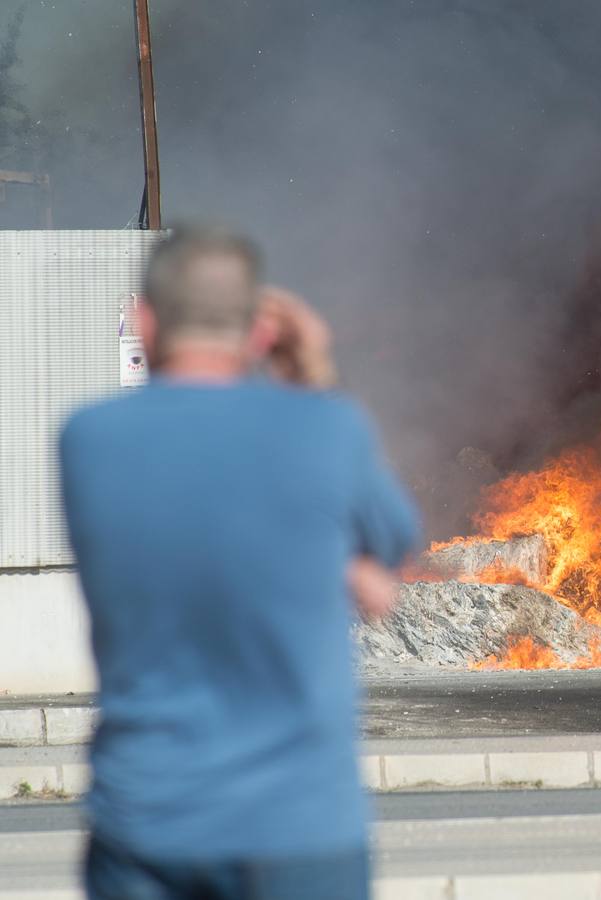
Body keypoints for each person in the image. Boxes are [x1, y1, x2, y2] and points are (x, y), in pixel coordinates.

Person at [59, 225, 420, 900]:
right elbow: (392, 538)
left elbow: (200, 521)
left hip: (146, 828)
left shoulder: (89, 438)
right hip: (301, 830)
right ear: (260, 332)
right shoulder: (324, 430)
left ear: (142, 319)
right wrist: (313, 376)